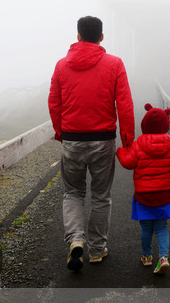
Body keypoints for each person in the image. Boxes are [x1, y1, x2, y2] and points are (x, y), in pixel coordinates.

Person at [48, 15, 135, 271]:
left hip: (72, 140)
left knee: (73, 192)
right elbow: (125, 105)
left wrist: (60, 132)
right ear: (101, 37)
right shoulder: (115, 64)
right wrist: (128, 139)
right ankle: (97, 250)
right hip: (103, 140)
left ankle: (76, 239)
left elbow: (54, 102)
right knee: (101, 196)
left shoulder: (61, 66)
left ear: (78, 37)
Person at [116, 103, 170, 275]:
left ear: (144, 124)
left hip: (144, 196)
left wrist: (121, 151)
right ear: (165, 125)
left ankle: (147, 257)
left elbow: (128, 163)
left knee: (146, 228)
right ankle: (164, 258)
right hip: (164, 195)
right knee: (161, 228)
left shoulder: (139, 145)